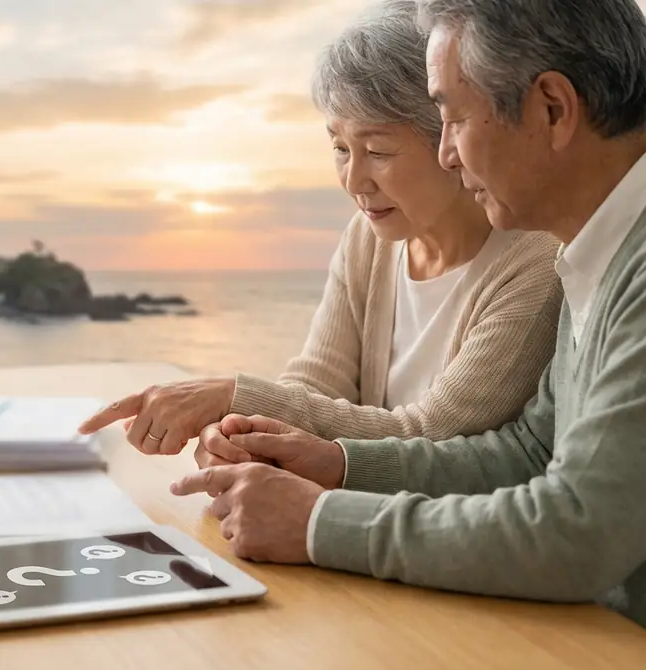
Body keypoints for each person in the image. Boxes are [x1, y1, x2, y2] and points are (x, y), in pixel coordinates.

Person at [174, 0, 646, 628]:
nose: (447, 152)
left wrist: (317, 524)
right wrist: (336, 463)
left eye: (450, 116)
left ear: (552, 110)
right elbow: (530, 452)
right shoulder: (594, 250)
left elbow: (577, 532)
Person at [77, 0, 562, 454]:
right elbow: (314, 384)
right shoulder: (368, 237)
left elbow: (428, 435)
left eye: (378, 152)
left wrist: (235, 396)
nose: (354, 181)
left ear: (452, 137)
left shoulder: (537, 262)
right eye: (339, 147)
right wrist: (241, 436)